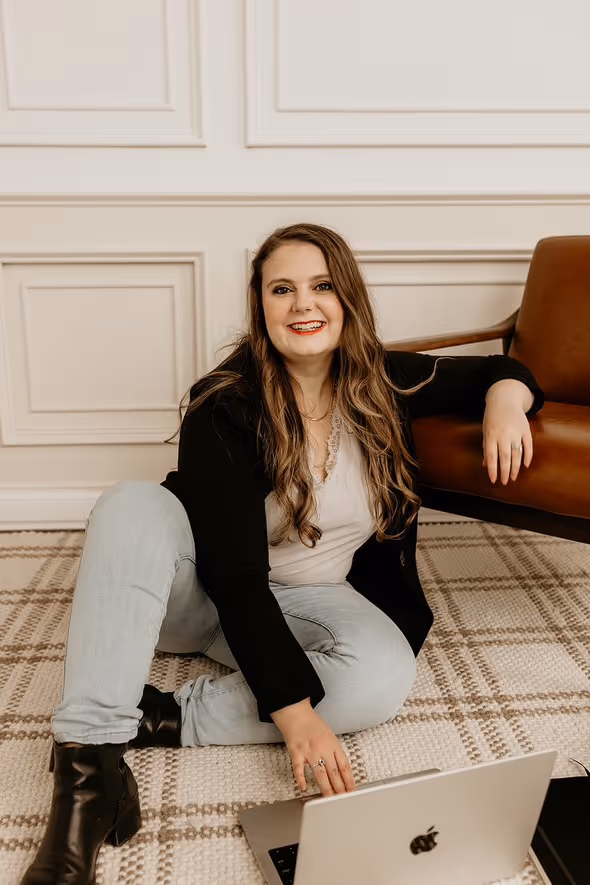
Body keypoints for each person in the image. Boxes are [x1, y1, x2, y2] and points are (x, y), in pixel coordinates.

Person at [21, 223, 544, 884]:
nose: (304, 304)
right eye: (282, 289)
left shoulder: (383, 381)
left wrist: (506, 405)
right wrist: (295, 714)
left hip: (310, 599)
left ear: (347, 298)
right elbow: (237, 579)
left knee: (383, 675)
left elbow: (501, 370)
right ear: (260, 304)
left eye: (322, 285)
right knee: (131, 503)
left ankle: (159, 716)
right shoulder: (224, 403)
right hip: (199, 591)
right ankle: (88, 770)